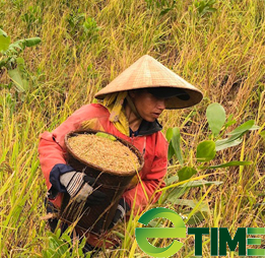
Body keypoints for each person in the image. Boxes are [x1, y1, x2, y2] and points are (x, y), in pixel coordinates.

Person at [38, 55, 203, 253]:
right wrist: (65, 175)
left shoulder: (157, 142)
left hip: (106, 234)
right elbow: (51, 142)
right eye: (155, 97)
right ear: (133, 93)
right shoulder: (94, 117)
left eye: (165, 99)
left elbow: (154, 184)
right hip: (64, 217)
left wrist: (125, 204)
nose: (162, 106)